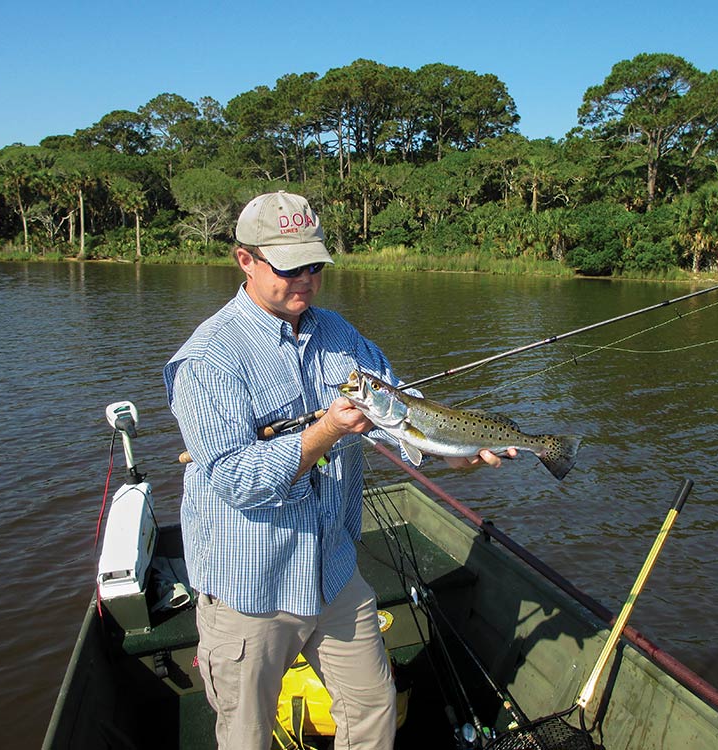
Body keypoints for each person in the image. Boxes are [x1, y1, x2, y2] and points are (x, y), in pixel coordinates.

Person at [163, 191, 510, 750]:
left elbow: (401, 408)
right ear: (244, 259)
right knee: (245, 735)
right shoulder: (208, 359)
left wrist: (456, 448)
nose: (306, 278)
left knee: (373, 711)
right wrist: (325, 430)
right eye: (290, 265)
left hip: (333, 570)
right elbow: (236, 479)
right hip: (250, 586)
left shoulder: (340, 335)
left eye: (315, 264)